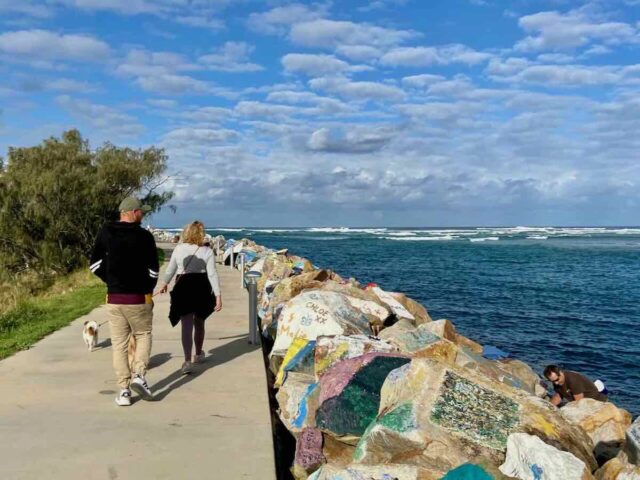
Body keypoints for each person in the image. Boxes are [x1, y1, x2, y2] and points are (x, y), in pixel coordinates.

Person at [90, 196, 158, 406]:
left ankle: (124, 391)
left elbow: (94, 264)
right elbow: (154, 270)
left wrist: (110, 279)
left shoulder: (106, 232)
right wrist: (147, 287)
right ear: (132, 212)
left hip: (115, 297)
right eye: (141, 212)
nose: (143, 214)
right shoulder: (145, 236)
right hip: (139, 298)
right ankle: (139, 374)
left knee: (119, 345)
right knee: (143, 334)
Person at [158, 221, 222, 374]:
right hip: (201, 286)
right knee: (199, 321)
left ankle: (187, 361)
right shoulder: (207, 251)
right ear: (201, 233)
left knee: (186, 325)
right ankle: (198, 354)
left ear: (186, 232)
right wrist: (218, 296)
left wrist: (164, 283)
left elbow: (170, 269)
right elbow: (212, 274)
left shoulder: (179, 249)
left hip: (184, 286)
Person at [543, 365, 608, 406]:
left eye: (557, 380)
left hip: (597, 402)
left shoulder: (572, 380)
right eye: (552, 381)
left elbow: (579, 403)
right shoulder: (557, 381)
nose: (555, 383)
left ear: (560, 372)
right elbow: (558, 396)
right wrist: (548, 407)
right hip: (583, 403)